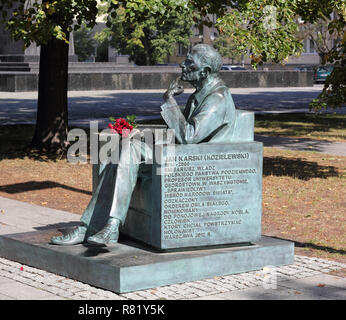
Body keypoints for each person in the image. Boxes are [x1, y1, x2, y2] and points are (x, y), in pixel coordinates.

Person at [51, 44, 237, 246]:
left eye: (189, 62)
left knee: (128, 150)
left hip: (202, 162)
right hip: (183, 154)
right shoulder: (199, 95)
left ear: (205, 71)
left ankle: (106, 227)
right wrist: (140, 131)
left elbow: (189, 136)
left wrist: (169, 100)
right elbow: (180, 131)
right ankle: (91, 227)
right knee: (117, 150)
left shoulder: (217, 98)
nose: (182, 65)